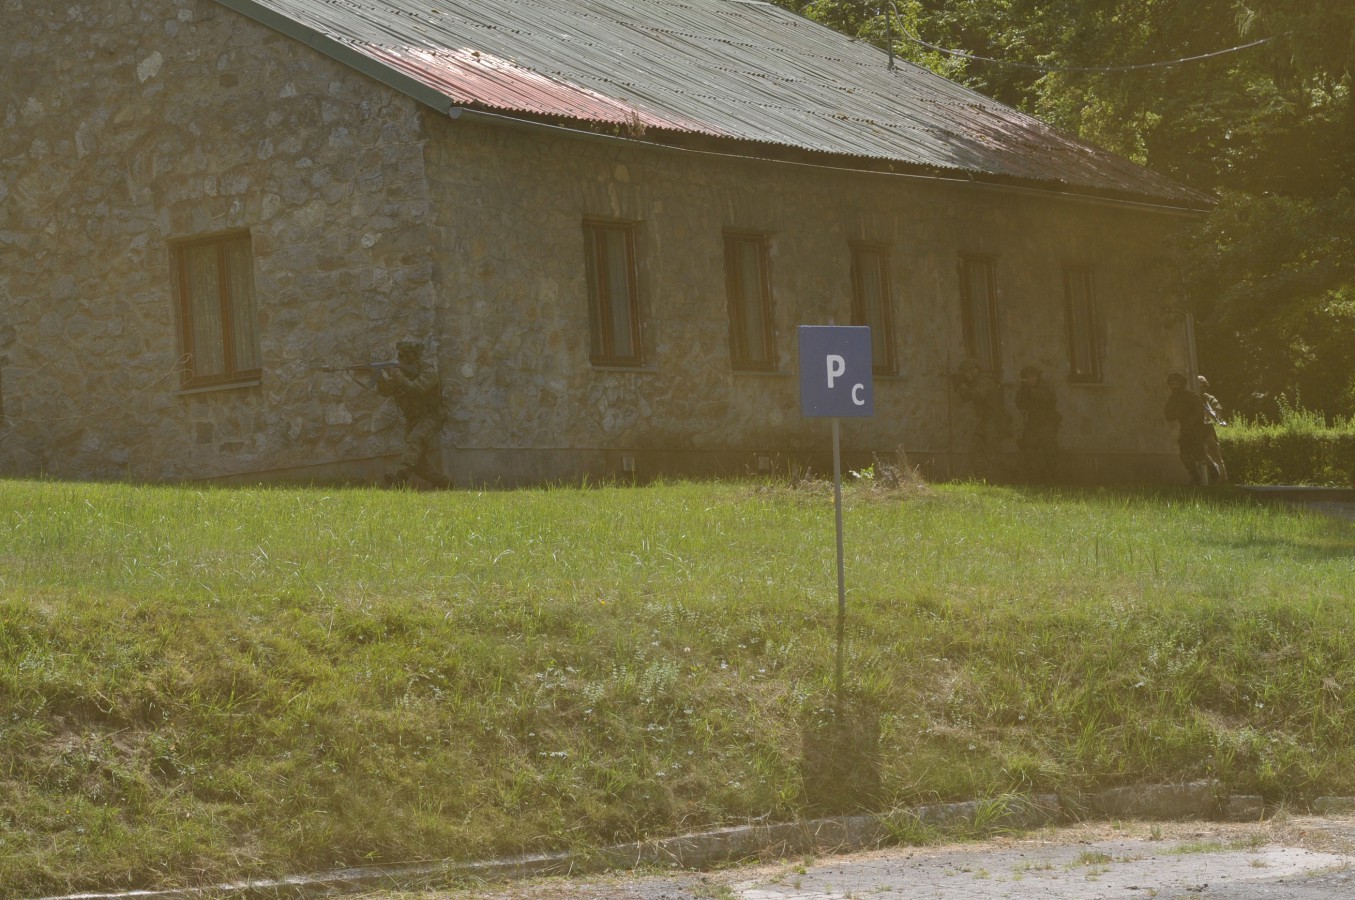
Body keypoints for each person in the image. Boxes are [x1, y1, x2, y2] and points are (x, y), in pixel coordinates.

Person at [375, 338, 453, 488]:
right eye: (401, 355)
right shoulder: (401, 372)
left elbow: (415, 389)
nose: (402, 358)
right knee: (417, 462)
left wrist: (397, 375)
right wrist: (377, 375)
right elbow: (385, 391)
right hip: (413, 418)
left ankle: (400, 479)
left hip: (432, 416)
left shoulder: (429, 372)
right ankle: (444, 483)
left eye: (406, 355)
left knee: (415, 439)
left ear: (415, 356)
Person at [952, 358, 1013, 480]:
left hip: (995, 421)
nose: (966, 375)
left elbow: (976, 396)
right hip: (986, 421)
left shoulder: (986, 380)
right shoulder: (977, 382)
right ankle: (983, 478)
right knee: (975, 449)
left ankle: (1012, 474)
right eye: (964, 373)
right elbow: (966, 398)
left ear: (975, 370)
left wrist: (962, 385)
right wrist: (958, 384)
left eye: (968, 372)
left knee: (993, 454)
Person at [1014, 365, 1061, 481]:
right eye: (1027, 377)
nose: (1031, 379)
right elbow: (1019, 404)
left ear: (1037, 376)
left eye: (1033, 376)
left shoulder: (1045, 386)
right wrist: (1023, 392)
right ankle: (1033, 478)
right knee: (1028, 448)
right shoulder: (1025, 389)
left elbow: (1047, 398)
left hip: (1047, 423)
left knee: (1049, 450)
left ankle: (1055, 477)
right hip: (1033, 423)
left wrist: (1030, 391)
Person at [1163, 372, 1211, 485]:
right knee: (1185, 455)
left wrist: (1192, 421)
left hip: (1197, 429)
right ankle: (1196, 478)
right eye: (1172, 383)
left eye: (1176, 383)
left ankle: (1214, 475)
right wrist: (1177, 413)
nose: (1174, 385)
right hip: (1186, 430)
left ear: (1181, 383)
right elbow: (1169, 415)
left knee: (1199, 454)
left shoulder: (1189, 396)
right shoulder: (1172, 399)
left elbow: (1199, 411)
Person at [1196, 375, 1229, 483]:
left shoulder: (1208, 398)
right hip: (1193, 429)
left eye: (1202, 386)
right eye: (1198, 387)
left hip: (1207, 429)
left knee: (1215, 455)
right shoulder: (1190, 398)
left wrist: (1214, 415)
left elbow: (1217, 410)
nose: (1201, 389)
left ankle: (1221, 480)